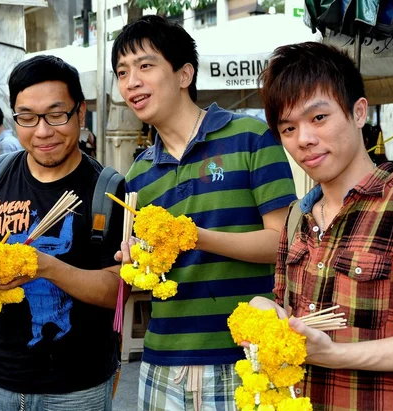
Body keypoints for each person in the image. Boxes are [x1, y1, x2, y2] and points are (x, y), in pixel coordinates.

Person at [249, 42, 393, 410]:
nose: (303, 139)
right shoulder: (294, 218)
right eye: (288, 128)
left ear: (359, 112)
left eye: (318, 118)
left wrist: (334, 354)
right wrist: (270, 317)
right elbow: (290, 318)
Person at [112, 15, 297, 411]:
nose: (131, 82)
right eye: (122, 72)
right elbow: (156, 276)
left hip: (244, 358)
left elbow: (283, 243)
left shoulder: (250, 137)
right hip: (161, 360)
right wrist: (138, 263)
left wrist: (194, 236)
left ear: (184, 74)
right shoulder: (138, 175)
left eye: (145, 66)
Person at [0, 55, 124, 411]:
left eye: (56, 115)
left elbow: (117, 291)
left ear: (80, 112)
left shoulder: (108, 191)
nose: (42, 131)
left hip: (76, 390)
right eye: (27, 118)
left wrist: (45, 267)